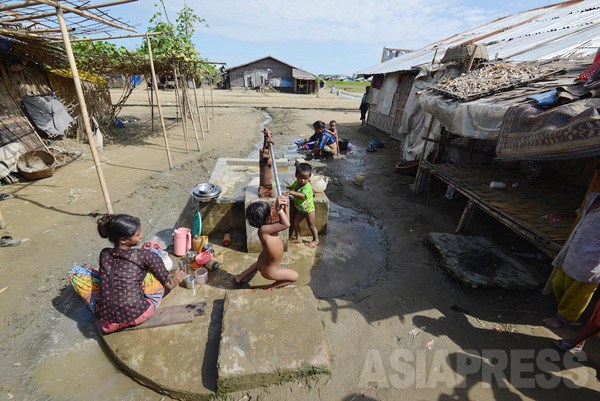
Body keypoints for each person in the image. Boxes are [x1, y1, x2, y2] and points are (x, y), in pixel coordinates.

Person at [67, 214, 185, 334]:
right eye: (137, 235)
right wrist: (177, 278)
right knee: (153, 256)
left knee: (76, 271)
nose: (141, 236)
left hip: (106, 323)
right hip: (138, 315)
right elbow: (169, 285)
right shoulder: (145, 255)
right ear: (123, 240)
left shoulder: (104, 254)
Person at [543, 179, 600, 329]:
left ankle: (566, 319)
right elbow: (580, 212)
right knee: (559, 283)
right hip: (574, 251)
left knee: (578, 295)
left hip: (592, 260)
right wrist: (562, 215)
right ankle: (563, 312)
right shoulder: (593, 196)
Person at [235, 195, 299, 289]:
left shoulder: (267, 228)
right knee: (295, 276)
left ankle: (240, 277)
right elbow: (286, 224)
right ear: (267, 217)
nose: (272, 213)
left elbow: (286, 222)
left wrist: (285, 207)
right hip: (270, 271)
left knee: (257, 265)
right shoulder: (264, 229)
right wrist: (279, 210)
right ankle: (270, 287)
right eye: (270, 212)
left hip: (262, 261)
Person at [284, 163, 319, 247]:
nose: (303, 180)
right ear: (296, 175)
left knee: (311, 225)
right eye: (301, 177)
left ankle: (316, 240)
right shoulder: (297, 183)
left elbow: (302, 195)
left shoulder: (307, 187)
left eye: (306, 178)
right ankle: (298, 238)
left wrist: (291, 193)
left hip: (309, 209)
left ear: (309, 177)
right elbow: (292, 186)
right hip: (300, 209)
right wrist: (287, 188)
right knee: (295, 223)